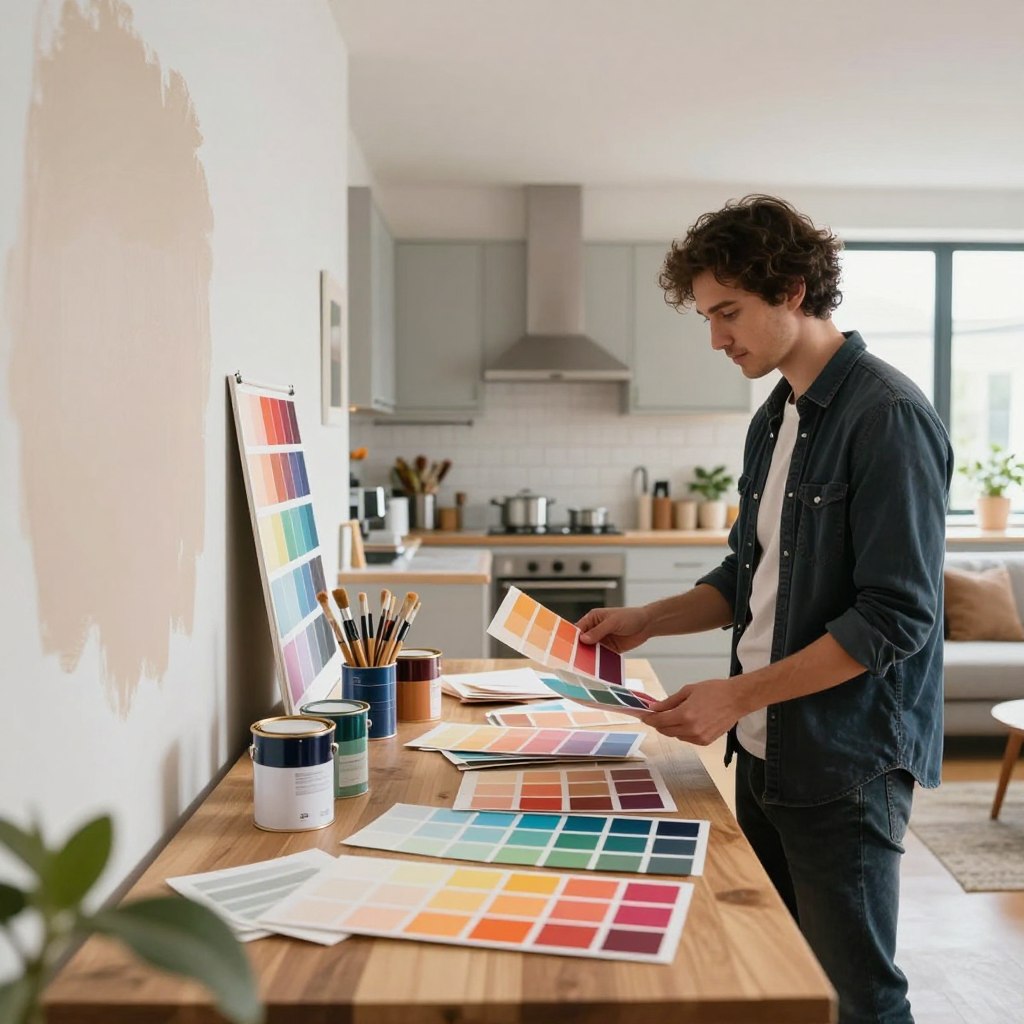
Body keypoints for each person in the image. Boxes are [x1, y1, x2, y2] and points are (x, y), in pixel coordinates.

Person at [577, 195, 952, 1024]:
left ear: (790, 290)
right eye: (708, 316)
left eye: (728, 313)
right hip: (767, 750)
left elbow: (897, 616)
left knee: (858, 997)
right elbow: (750, 573)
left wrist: (737, 695)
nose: (716, 338)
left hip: (843, 762)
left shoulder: (887, 417)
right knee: (780, 982)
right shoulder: (777, 414)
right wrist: (652, 618)